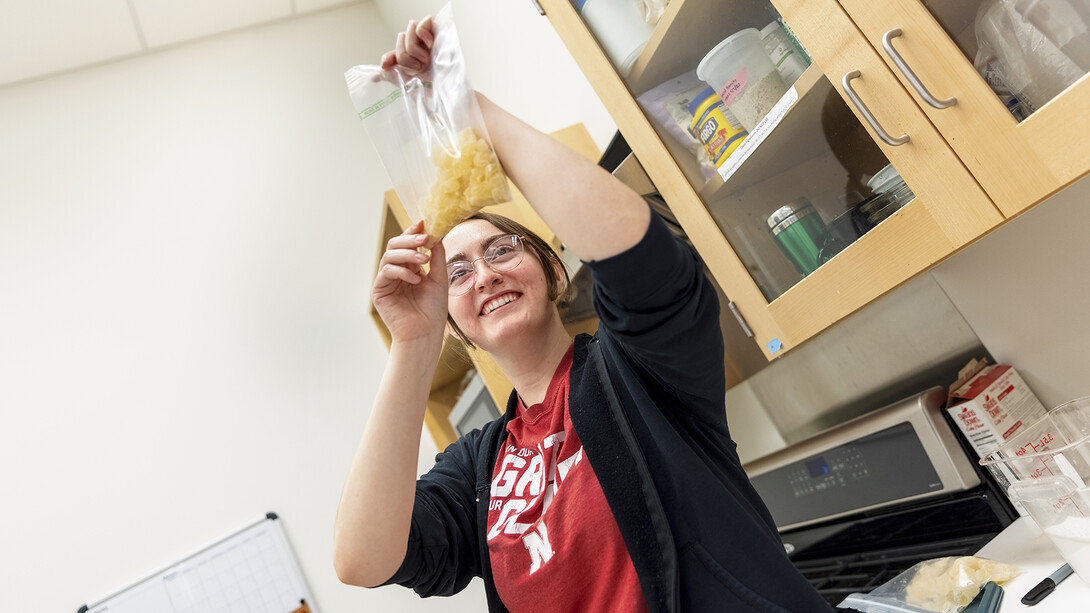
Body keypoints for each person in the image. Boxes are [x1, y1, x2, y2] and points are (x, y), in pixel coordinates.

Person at [334, 16, 832, 613]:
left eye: (501, 250)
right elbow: (362, 559)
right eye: (458, 274)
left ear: (554, 273)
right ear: (454, 320)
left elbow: (642, 258)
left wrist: (469, 110)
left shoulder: (638, 370)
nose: (485, 274)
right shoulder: (477, 467)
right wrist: (414, 343)